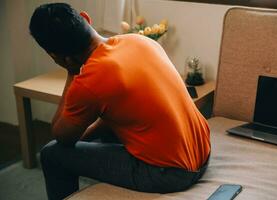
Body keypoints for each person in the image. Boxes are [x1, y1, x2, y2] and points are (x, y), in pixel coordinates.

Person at [29, 3, 211, 200]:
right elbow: (121, 114)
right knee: (108, 127)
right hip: (203, 154)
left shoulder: (90, 80)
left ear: (55, 56)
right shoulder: (140, 41)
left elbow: (61, 136)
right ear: (86, 18)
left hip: (170, 174)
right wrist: (86, 136)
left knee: (51, 154)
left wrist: (71, 71)